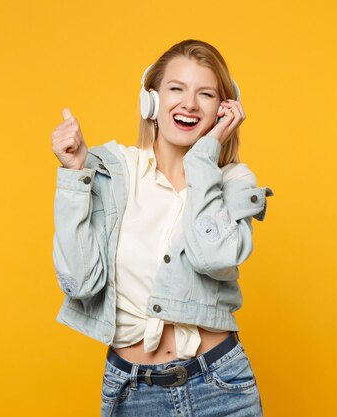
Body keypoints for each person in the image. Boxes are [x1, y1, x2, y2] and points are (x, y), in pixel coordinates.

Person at [50, 39, 273, 417]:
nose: (189, 103)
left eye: (205, 94)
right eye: (176, 89)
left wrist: (205, 156)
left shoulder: (233, 180)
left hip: (221, 387)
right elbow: (82, 284)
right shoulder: (115, 172)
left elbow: (213, 259)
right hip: (132, 393)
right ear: (150, 101)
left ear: (223, 111)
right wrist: (74, 176)